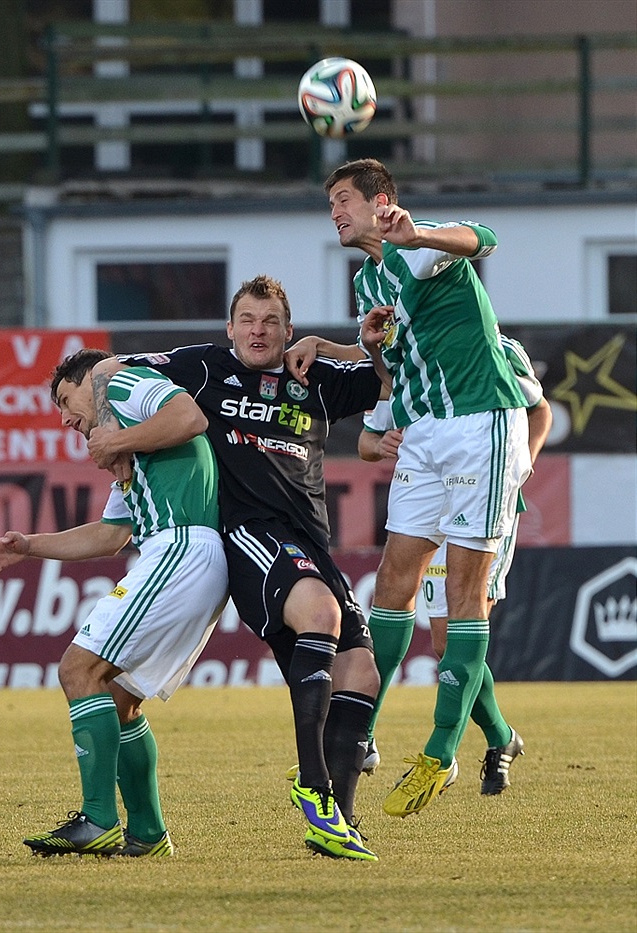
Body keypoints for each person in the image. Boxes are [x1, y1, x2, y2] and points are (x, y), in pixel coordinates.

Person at [86, 274, 383, 861]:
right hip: (248, 533)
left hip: (311, 540)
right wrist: (112, 432)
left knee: (362, 674)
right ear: (229, 328)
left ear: (288, 330)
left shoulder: (310, 377)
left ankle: (338, 824)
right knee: (320, 613)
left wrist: (349, 346)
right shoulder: (203, 367)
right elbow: (105, 368)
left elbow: (386, 381)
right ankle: (313, 786)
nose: (258, 330)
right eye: (247, 320)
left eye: (271, 321)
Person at [286, 157, 533, 819]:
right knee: (393, 579)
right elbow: (393, 370)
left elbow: (484, 237)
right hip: (422, 434)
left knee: (461, 594)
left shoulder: (419, 250)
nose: (335, 212)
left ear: (381, 202)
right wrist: (351, 348)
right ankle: (362, 728)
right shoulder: (370, 280)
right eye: (331, 202)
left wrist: (418, 233)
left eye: (344, 199)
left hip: (481, 421)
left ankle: (440, 748)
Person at [0, 349, 228, 857]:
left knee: (77, 670)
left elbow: (189, 416)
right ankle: (149, 833)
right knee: (118, 699)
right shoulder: (129, 453)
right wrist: (30, 546)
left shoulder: (121, 383)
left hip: (180, 547)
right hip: (181, 553)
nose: (66, 418)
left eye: (66, 401)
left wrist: (115, 440)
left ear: (86, 380)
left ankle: (98, 819)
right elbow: (112, 535)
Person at [358, 334, 552, 794]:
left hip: (481, 496)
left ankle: (445, 753)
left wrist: (519, 467)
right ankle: (502, 738)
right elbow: (367, 441)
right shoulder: (408, 355)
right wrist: (380, 443)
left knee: (448, 640)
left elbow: (540, 409)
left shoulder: (496, 348)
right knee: (437, 639)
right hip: (430, 508)